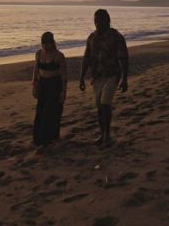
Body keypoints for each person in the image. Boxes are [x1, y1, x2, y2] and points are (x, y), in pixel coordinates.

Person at [79, 9, 129, 145]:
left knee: (105, 103)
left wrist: (124, 79)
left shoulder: (116, 37)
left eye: (100, 21)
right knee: (99, 107)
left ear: (107, 21)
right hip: (97, 77)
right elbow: (86, 57)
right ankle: (102, 134)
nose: (97, 24)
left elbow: (123, 58)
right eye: (95, 21)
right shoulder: (92, 37)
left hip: (112, 75)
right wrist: (82, 77)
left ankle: (107, 135)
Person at [31, 31, 67, 146]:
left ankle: (50, 137)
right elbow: (36, 70)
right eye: (43, 44)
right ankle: (38, 139)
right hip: (43, 84)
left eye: (48, 44)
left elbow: (64, 75)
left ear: (52, 43)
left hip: (55, 85)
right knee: (40, 111)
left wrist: (63, 91)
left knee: (51, 111)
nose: (45, 46)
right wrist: (34, 85)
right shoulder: (38, 54)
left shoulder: (59, 56)